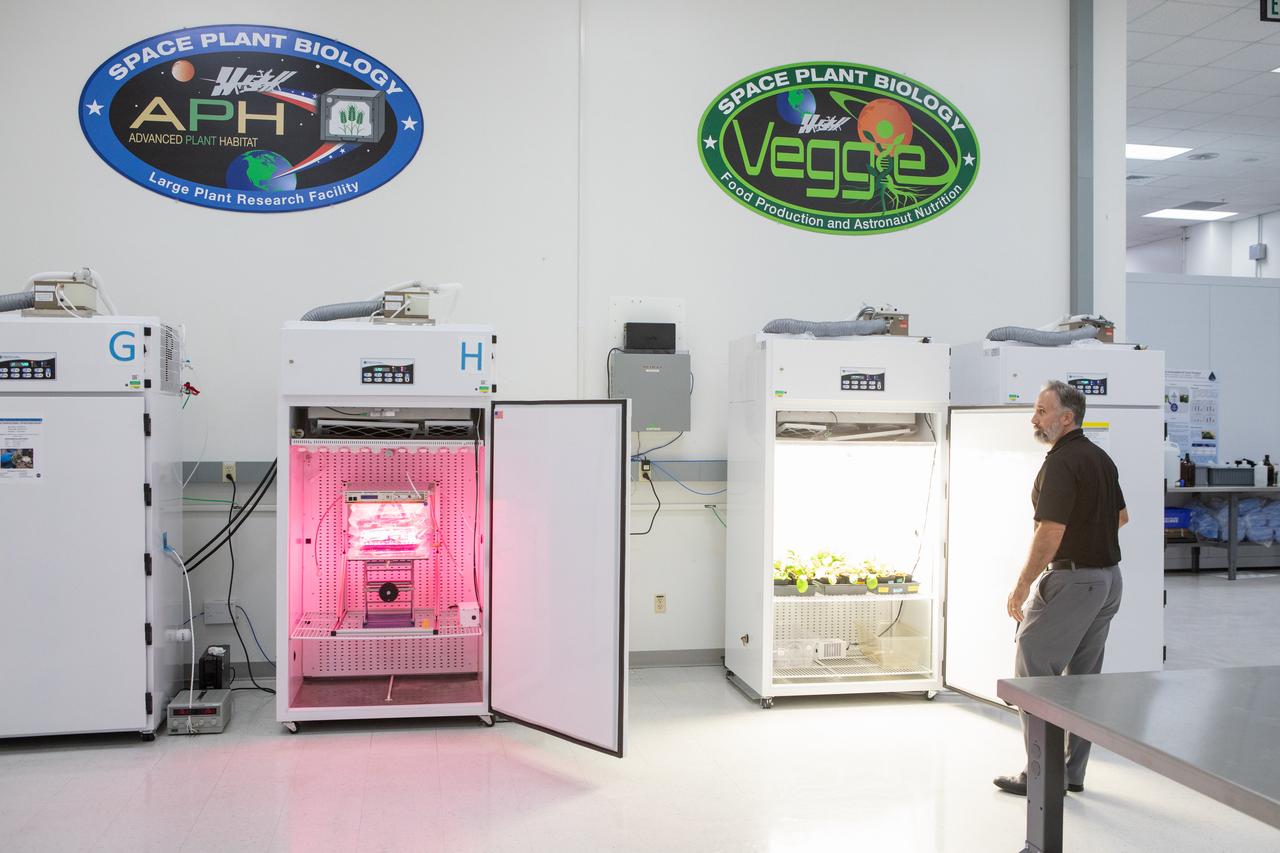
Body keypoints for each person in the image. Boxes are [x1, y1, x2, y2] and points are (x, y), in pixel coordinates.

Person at [993, 379, 1128, 797]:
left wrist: (1021, 587)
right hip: (1107, 580)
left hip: (1072, 580)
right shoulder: (1100, 458)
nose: (1034, 419)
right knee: (1083, 680)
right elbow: (1121, 518)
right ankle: (1070, 772)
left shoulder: (1061, 462)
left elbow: (1050, 531)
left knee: (1035, 674)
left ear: (1065, 418)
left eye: (1040, 411)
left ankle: (1041, 775)